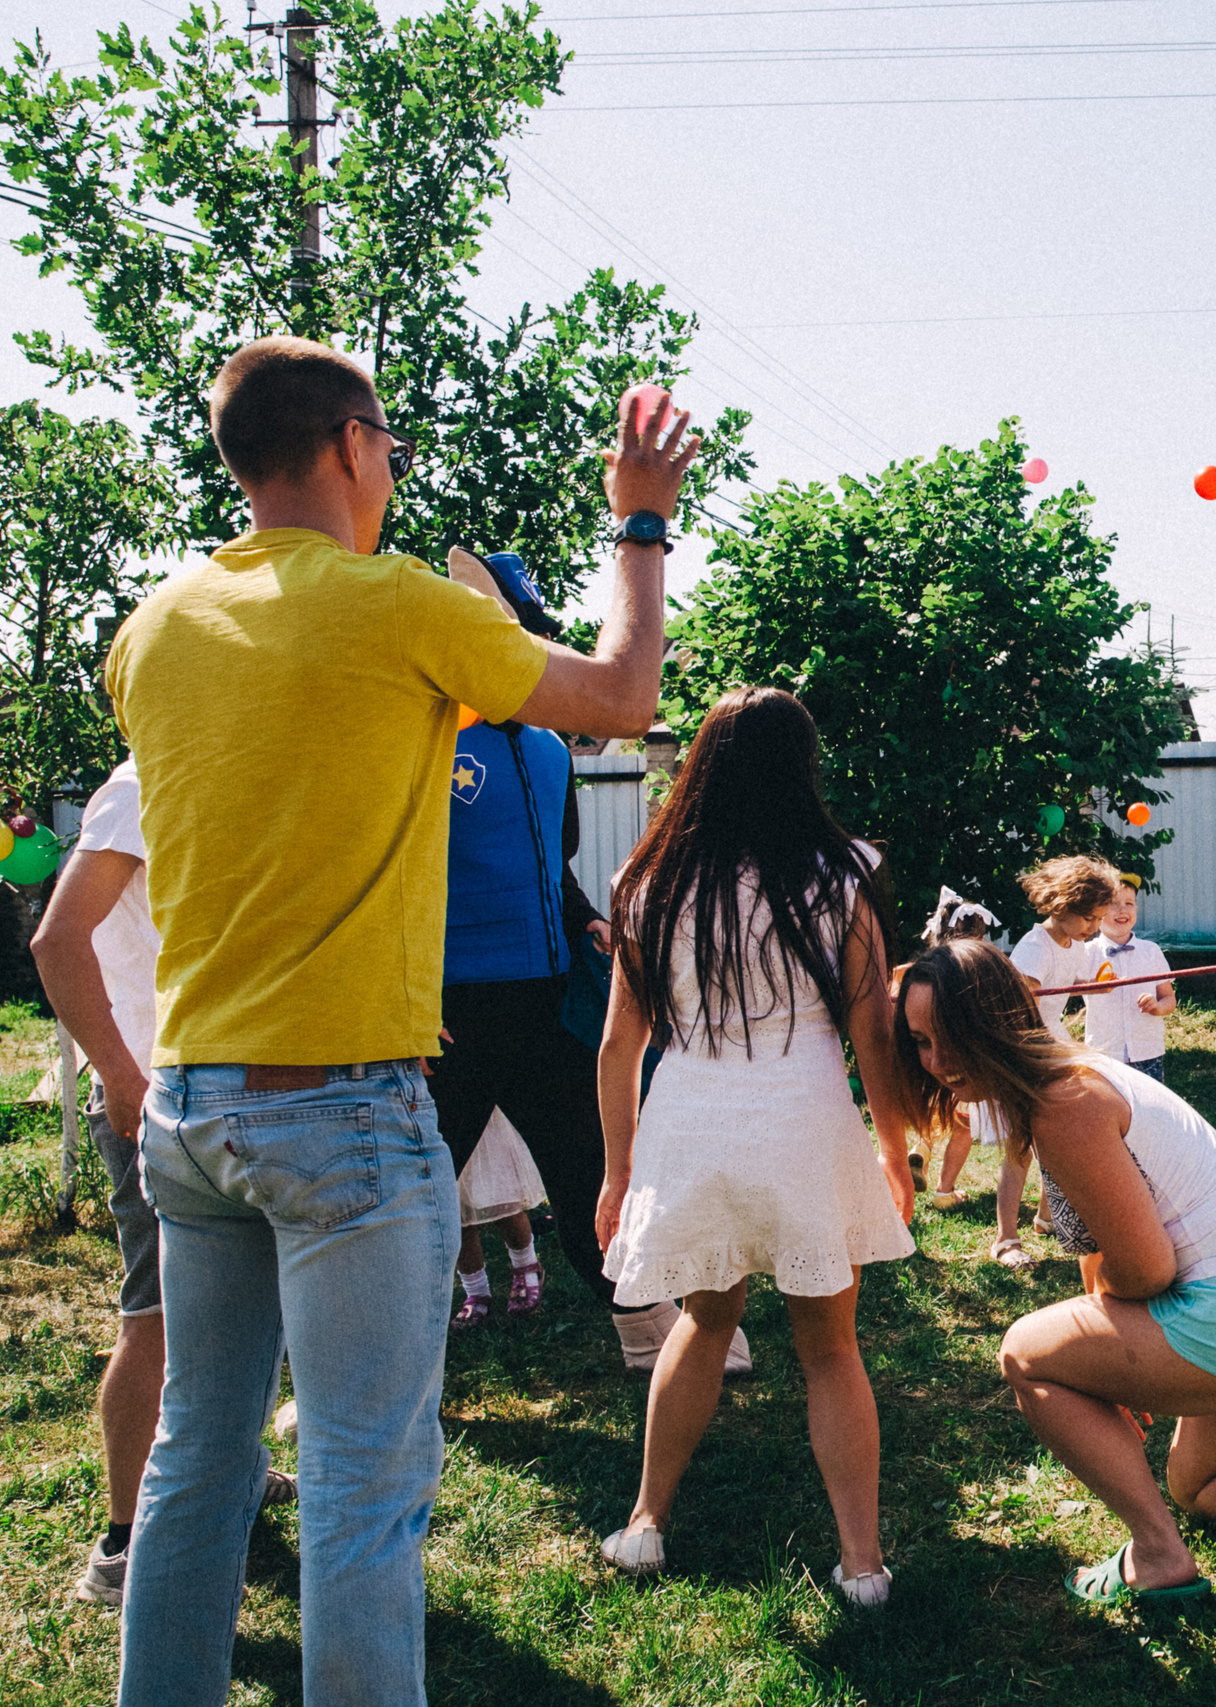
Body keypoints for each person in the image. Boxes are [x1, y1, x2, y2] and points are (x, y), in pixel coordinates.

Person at [104, 335, 692, 1707]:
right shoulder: (397, 610)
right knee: (366, 1488)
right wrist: (640, 522)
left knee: (200, 1452)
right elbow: (621, 698)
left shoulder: (153, 629)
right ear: (354, 446)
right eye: (395, 452)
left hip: (192, 1106)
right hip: (344, 1111)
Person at [893, 940, 1216, 1618]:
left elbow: (1147, 1266)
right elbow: (1107, 1245)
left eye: (947, 1035)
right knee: (1202, 1484)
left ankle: (1158, 1555)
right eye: (921, 1042)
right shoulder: (1075, 1074)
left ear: (992, 1017)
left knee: (1023, 1351)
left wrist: (1111, 1353)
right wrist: (1117, 1349)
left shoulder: (1064, 1101)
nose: (936, 1060)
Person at [593, 687, 916, 1607]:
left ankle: (647, 1521)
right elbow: (873, 1029)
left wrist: (618, 1171)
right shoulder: (842, 872)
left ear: (701, 763)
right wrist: (895, 1147)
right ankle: (862, 1564)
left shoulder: (648, 883)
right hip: (803, 1119)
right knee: (830, 1347)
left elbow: (621, 1046)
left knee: (702, 1320)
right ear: (800, 767)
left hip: (693, 1121)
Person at [432, 547, 746, 1375]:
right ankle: (358, 1375)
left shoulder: (546, 746)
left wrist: (585, 918)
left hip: (546, 998)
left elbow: (553, 861)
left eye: (535, 638)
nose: (530, 654)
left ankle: (650, 1333)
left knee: (591, 1171)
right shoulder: (419, 732)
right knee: (415, 1203)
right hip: (446, 1008)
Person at [30, 758, 298, 1609]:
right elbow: (55, 939)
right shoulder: (143, 780)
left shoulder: (211, 767)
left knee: (230, 1312)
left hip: (210, 1088)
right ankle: (121, 1540)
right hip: (150, 1091)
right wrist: (116, 1073)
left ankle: (232, 1475)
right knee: (155, 1313)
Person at [986, 856, 1112, 1268]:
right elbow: (1022, 1005)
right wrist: (1042, 1053)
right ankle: (1005, 1237)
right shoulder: (1034, 946)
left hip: (1052, 1038)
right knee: (1021, 1145)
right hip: (1026, 1044)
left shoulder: (1074, 944)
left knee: (1060, 1133)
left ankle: (1046, 1216)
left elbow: (1077, 984)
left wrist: (1098, 987)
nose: (1095, 928)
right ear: (1063, 906)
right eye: (1090, 919)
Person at [921, 886, 1002, 1211]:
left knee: (937, 1114)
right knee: (963, 1127)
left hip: (930, 1058)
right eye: (979, 935)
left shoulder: (931, 967)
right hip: (963, 1060)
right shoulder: (970, 969)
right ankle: (943, 1190)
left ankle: (922, 1149)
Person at [448, 1112, 545, 1327]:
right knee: (455, 1212)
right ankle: (475, 1290)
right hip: (438, 1115)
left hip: (479, 1116)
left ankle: (526, 1266)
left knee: (502, 1200)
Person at [1082, 873, 1176, 1083]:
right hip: (1104, 1052)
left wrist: (1158, 1007)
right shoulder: (1087, 953)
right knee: (1108, 1110)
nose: (1122, 910)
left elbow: (1169, 999)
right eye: (1113, 904)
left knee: (1149, 1108)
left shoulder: (1151, 951)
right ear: (1097, 912)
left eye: (1129, 903)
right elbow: (1069, 989)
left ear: (1136, 909)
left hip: (1147, 1051)